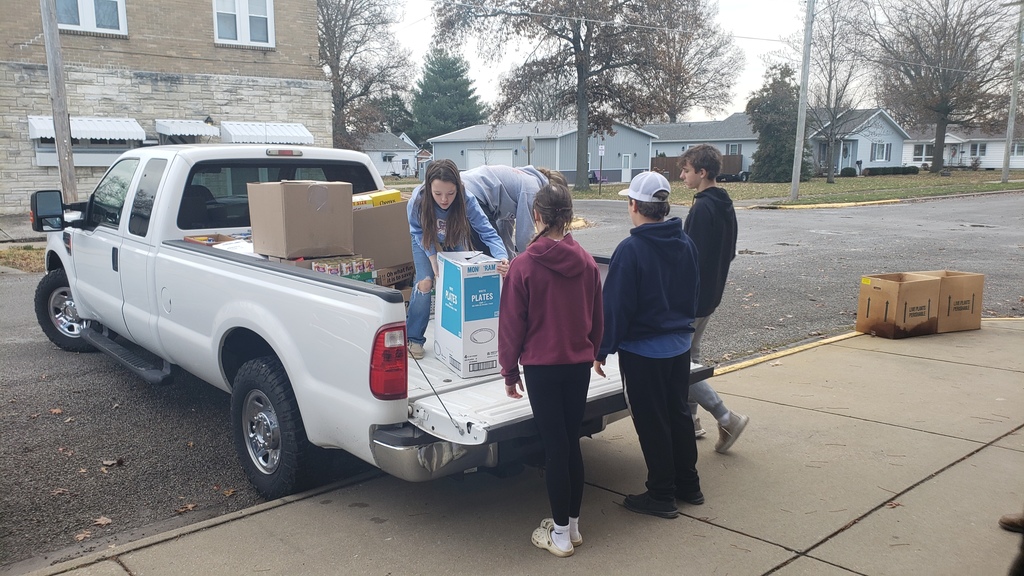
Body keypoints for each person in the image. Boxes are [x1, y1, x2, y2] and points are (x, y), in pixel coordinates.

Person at [498, 182, 603, 558]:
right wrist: (594, 352)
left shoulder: (523, 267)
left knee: (554, 446)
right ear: (569, 216)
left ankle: (558, 535)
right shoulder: (588, 262)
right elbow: (596, 317)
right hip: (577, 365)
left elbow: (512, 326)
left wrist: (509, 373)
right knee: (570, 442)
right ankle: (571, 526)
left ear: (536, 216)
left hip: (542, 368)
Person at [594, 171, 703, 520]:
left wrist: (601, 348)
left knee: (651, 420)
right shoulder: (685, 242)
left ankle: (661, 494)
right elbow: (695, 291)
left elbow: (616, 306)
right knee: (678, 412)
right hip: (679, 344)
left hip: (643, 351)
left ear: (633, 206)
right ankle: (689, 483)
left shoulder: (631, 250)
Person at [679, 144, 749, 453]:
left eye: (686, 170)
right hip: (712, 295)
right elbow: (729, 252)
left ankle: (726, 417)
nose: (682, 176)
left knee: (680, 364)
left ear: (701, 172)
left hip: (693, 298)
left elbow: (689, 259)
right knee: (692, 357)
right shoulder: (725, 205)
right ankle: (692, 422)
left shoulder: (702, 208)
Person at [406, 159, 509, 359]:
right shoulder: (417, 201)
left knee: (460, 278)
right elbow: (417, 232)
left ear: (458, 189)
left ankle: (457, 336)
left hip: (454, 234)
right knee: (426, 282)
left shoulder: (467, 199)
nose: (444, 199)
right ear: (428, 189)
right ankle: (414, 338)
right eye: (438, 194)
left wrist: (502, 258)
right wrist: (432, 258)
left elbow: (488, 232)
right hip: (424, 238)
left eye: (450, 193)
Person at [459, 165, 567, 258]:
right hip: (472, 193)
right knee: (489, 257)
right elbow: (524, 237)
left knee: (489, 255)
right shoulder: (532, 190)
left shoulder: (523, 180)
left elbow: (504, 228)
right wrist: (532, 262)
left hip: (463, 187)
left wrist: (509, 260)